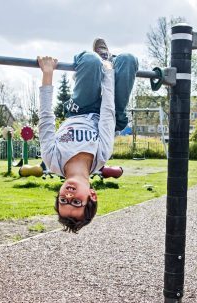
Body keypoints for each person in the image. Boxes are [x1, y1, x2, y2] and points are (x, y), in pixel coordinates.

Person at [37, 38, 138, 233]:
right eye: (76, 201)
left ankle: (99, 62)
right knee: (128, 60)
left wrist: (47, 73)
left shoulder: (52, 159)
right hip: (110, 114)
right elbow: (108, 113)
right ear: (92, 195)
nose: (69, 195)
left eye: (63, 200)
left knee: (90, 61)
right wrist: (108, 71)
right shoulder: (101, 155)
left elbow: (46, 118)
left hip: (80, 110)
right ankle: (107, 60)